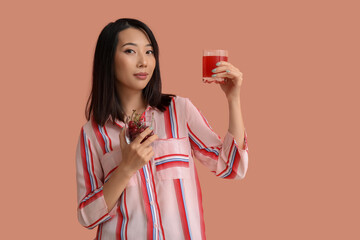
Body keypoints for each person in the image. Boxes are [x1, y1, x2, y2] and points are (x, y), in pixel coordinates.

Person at [75, 18, 249, 240]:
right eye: (130, 51)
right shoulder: (92, 134)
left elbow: (233, 167)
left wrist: (233, 99)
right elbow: (87, 217)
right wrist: (126, 168)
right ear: (108, 60)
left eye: (149, 52)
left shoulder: (179, 111)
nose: (143, 62)